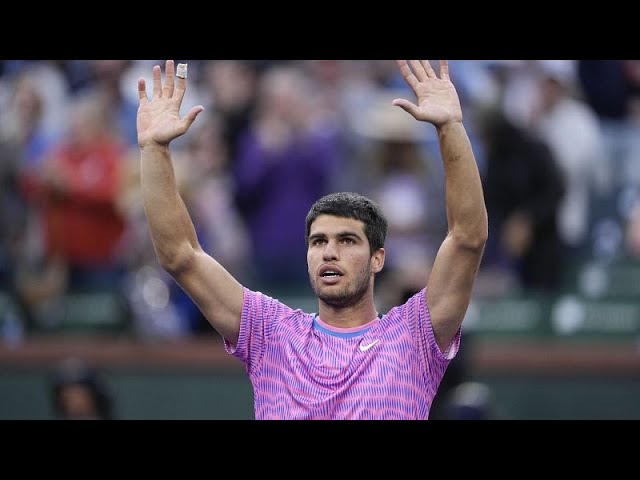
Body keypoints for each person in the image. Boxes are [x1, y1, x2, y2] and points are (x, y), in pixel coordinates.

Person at [137, 59, 488, 420]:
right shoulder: (271, 333)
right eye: (318, 242)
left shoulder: (413, 336)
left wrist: (450, 128)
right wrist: (154, 150)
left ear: (377, 258)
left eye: (348, 241)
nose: (330, 253)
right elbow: (181, 255)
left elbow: (467, 239)